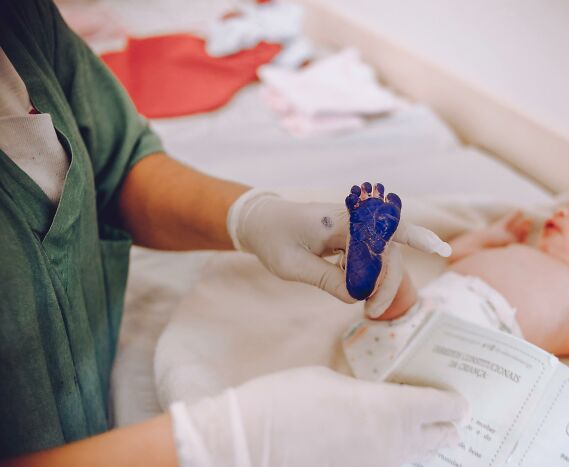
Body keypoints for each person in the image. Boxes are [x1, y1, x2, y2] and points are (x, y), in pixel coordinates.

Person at [0, 1, 469, 465]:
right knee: (400, 324)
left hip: (98, 398)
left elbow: (113, 164)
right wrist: (213, 444)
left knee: (398, 318)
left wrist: (248, 216)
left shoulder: (22, 21)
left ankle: (377, 264)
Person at [371, 192, 569, 375]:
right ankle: (381, 267)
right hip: (427, 307)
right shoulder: (520, 250)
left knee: (413, 315)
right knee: (403, 309)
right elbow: (458, 254)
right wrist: (494, 237)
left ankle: (382, 262)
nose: (561, 211)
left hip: (482, 336)